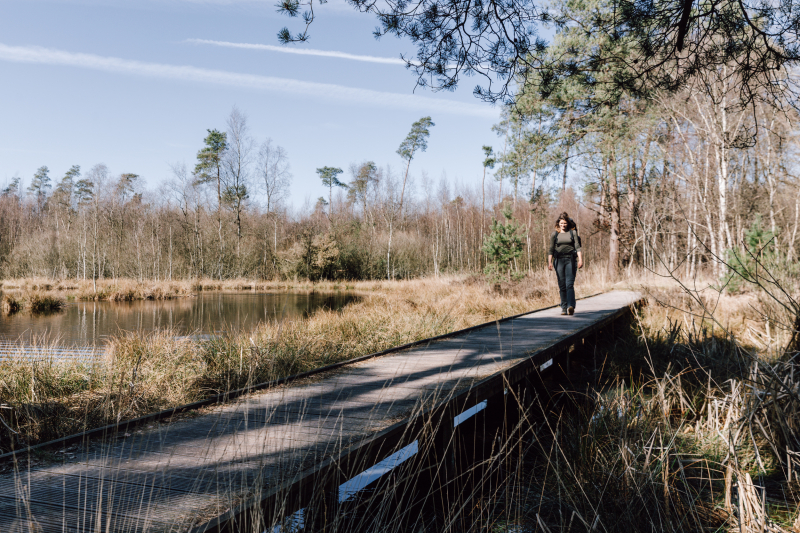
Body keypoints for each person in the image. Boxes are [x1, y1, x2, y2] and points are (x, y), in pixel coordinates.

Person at [548, 212, 583, 315]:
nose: (563, 225)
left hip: (570, 260)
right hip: (558, 261)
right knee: (562, 285)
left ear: (568, 223)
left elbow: (577, 247)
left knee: (569, 284)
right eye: (561, 223)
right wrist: (549, 262)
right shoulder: (554, 234)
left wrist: (580, 260)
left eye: (565, 223)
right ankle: (563, 307)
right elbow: (551, 249)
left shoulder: (573, 233)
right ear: (558, 223)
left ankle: (571, 306)